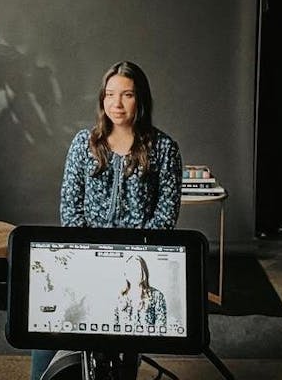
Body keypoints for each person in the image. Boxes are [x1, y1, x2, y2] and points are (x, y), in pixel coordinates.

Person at [31, 61, 182, 380]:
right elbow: (70, 208)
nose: (117, 103)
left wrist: (129, 261)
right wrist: (90, 258)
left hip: (137, 263)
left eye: (126, 95)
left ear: (140, 100)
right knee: (46, 318)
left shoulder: (164, 149)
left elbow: (165, 216)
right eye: (110, 94)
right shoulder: (84, 144)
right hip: (84, 257)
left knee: (121, 339)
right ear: (102, 99)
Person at [113, 255, 168, 329]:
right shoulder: (120, 297)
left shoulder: (157, 296)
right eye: (130, 269)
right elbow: (114, 326)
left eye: (136, 269)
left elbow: (161, 328)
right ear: (125, 273)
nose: (133, 273)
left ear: (143, 272)